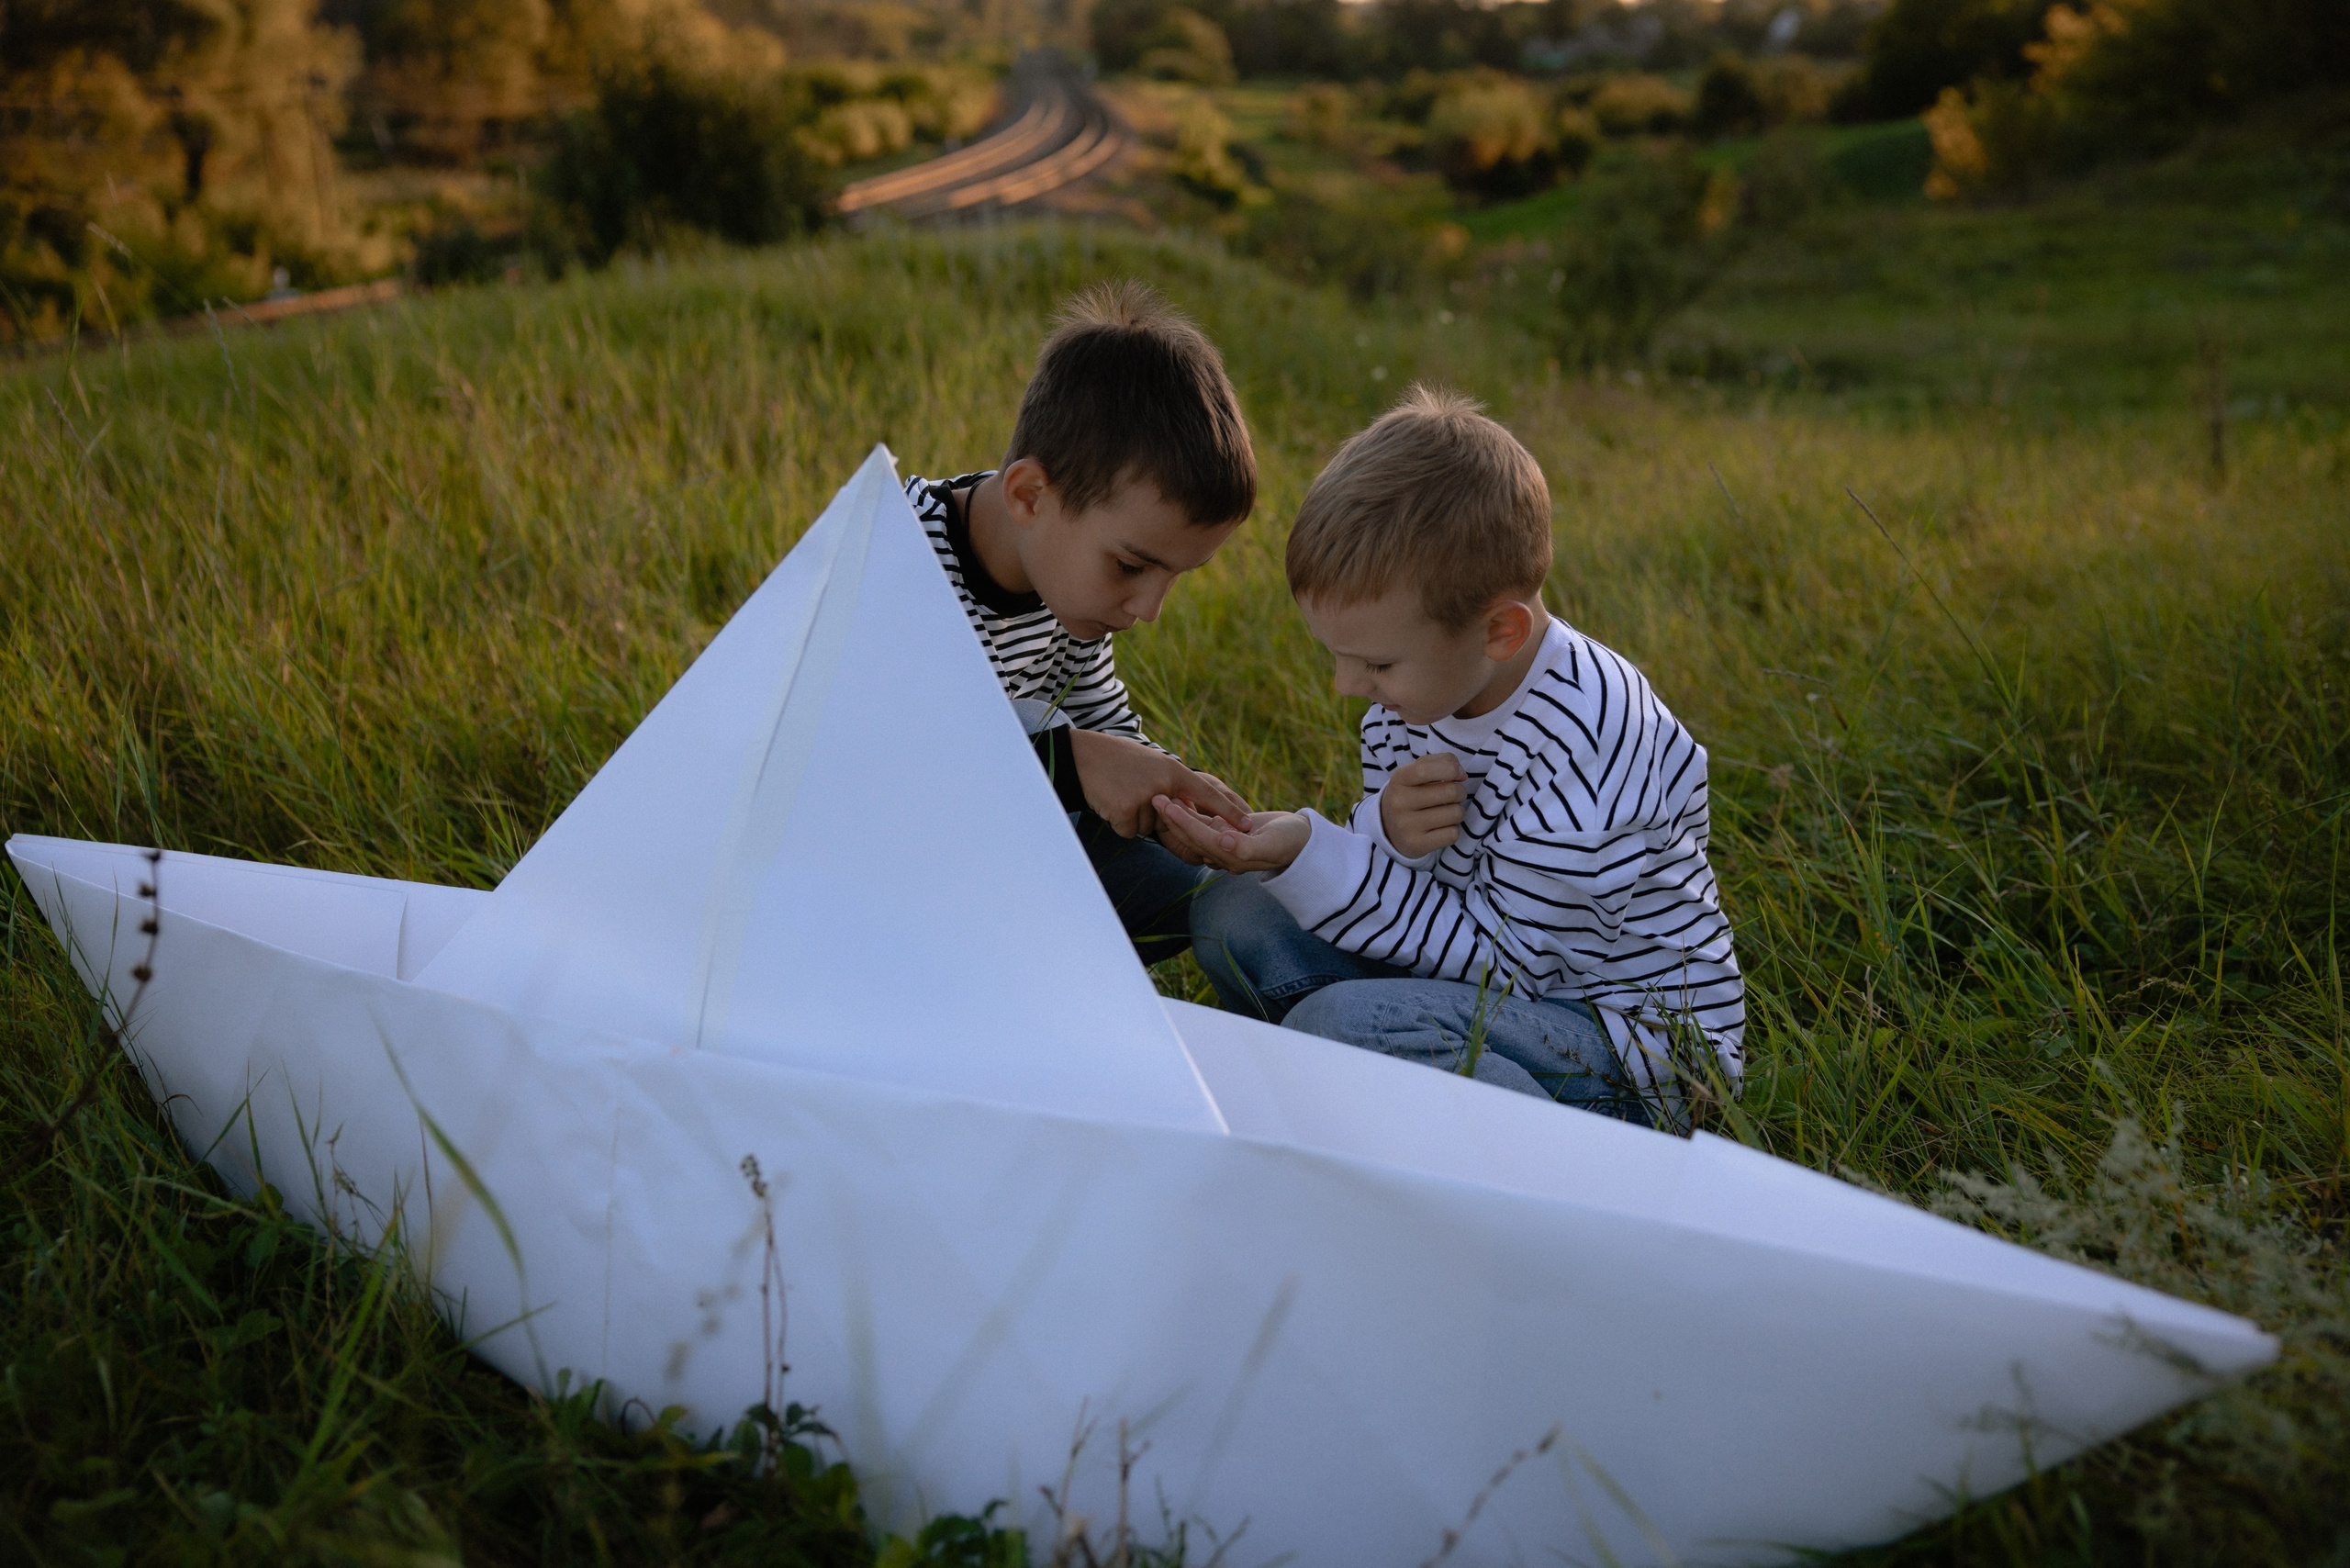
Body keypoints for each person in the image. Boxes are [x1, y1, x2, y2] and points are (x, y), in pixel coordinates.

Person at [1156, 386, 1743, 1126]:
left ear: (1498, 632)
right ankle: (1363, 1099)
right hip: (1485, 979)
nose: (1348, 688)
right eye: (1339, 658)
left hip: (1623, 1045)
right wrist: (1378, 834)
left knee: (1341, 1026)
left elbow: (1511, 970)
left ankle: (1551, 1169)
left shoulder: (1590, 745)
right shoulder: (1421, 692)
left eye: (1375, 665)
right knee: (1233, 912)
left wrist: (1320, 854)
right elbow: (1420, 889)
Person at [906, 281, 1257, 964]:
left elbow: (1108, 733)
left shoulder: (1066, 594)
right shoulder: (898, 557)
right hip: (862, 876)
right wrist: (1071, 760)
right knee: (1041, 736)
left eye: (1174, 578)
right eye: (1131, 566)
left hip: (980, 864)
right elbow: (873, 755)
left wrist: (1172, 801)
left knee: (1192, 889)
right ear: (1031, 495)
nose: (1149, 610)